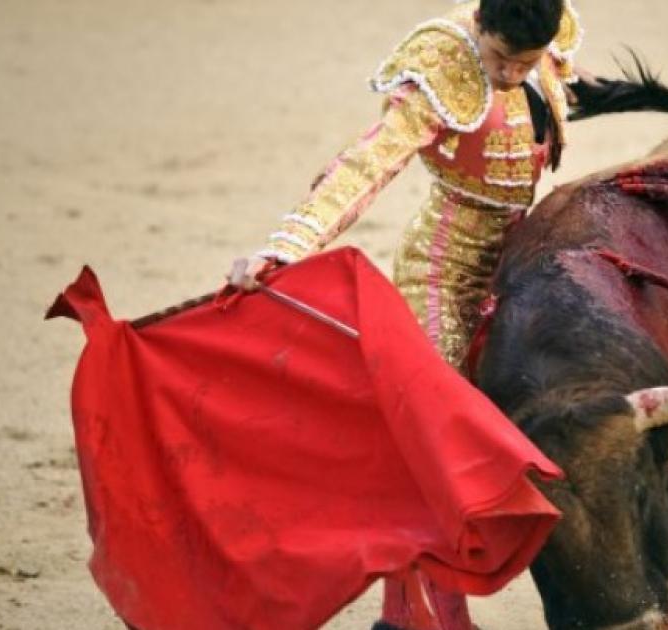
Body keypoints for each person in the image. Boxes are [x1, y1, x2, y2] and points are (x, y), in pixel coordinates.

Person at [231, 1, 590, 628]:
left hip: (525, 257)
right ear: (479, 26)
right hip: (444, 271)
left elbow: (558, 97)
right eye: (500, 57)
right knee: (431, 442)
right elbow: (368, 164)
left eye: (524, 63)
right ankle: (415, 617)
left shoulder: (546, 35)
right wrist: (285, 247)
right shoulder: (437, 65)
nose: (509, 74)